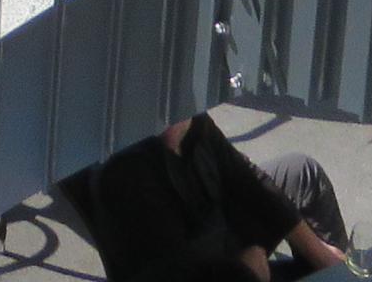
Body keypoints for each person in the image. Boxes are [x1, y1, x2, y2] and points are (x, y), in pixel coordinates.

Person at [74, 116, 356, 282]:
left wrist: (320, 254)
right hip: (206, 268)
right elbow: (177, 268)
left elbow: (243, 174)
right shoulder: (125, 176)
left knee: (302, 172)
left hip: (219, 226)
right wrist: (244, 267)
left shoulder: (185, 115)